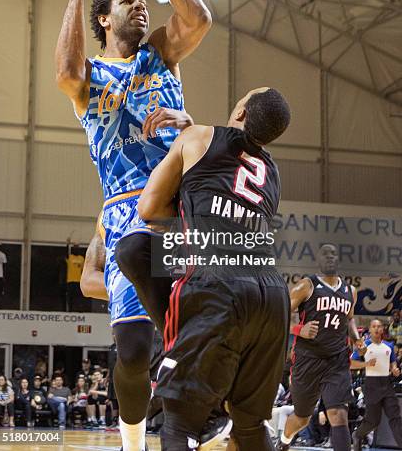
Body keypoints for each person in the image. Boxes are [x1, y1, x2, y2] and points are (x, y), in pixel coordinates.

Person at [54, 0, 212, 451]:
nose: (141, 6)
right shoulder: (93, 77)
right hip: (124, 212)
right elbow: (66, 74)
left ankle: (203, 422)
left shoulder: (162, 55)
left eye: (143, 3)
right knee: (133, 349)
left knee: (199, 328)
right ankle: (131, 439)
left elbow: (200, 18)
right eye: (128, 2)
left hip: (181, 207)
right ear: (104, 20)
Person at [128, 87, 292, 451]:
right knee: (250, 427)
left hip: (220, 286)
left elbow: (149, 209)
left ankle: (195, 380)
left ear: (243, 111)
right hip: (272, 297)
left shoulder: (198, 135)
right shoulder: (274, 173)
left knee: (180, 422)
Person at [276, 243, 364, 451]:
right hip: (308, 359)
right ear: (318, 260)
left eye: (334, 254)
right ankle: (285, 440)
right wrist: (299, 329)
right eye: (325, 254)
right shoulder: (307, 285)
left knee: (338, 414)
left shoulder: (350, 291)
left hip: (336, 359)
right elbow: (279, 314)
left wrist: (356, 338)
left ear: (338, 259)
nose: (330, 257)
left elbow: (349, 319)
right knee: (302, 418)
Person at [351, 318, 402, 449]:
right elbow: (350, 364)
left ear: (382, 329)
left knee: (395, 417)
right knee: (373, 421)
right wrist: (366, 364)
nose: (377, 329)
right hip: (371, 385)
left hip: (387, 384)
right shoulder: (364, 346)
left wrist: (395, 370)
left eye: (379, 326)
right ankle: (357, 434)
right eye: (374, 326)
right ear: (370, 329)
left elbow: (393, 364)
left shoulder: (389, 346)